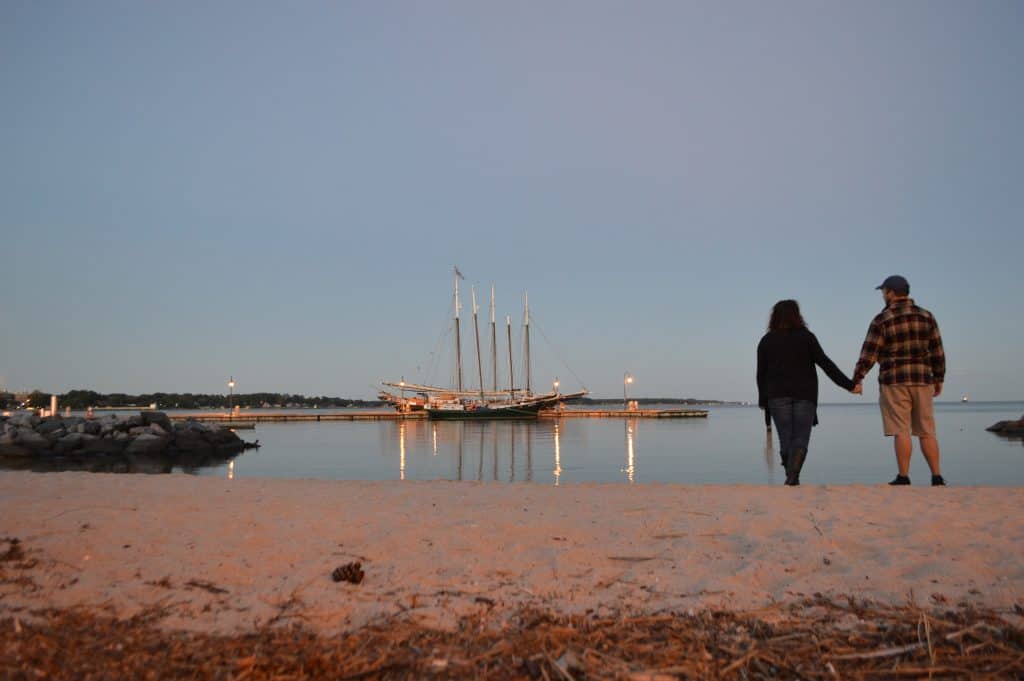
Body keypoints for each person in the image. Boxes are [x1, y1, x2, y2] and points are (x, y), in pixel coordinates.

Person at [852, 275, 946, 486]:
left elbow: (869, 353)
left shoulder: (882, 319)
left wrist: (857, 378)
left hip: (894, 380)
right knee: (927, 430)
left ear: (891, 293)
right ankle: (937, 476)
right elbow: (937, 351)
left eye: (884, 292)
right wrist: (938, 378)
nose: (883, 296)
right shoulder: (927, 316)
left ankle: (904, 476)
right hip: (923, 379)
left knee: (901, 430)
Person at [757, 300, 857, 485]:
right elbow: (826, 364)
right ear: (797, 315)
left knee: (785, 437)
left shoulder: (767, 340)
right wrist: (849, 385)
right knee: (801, 438)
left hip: (777, 396)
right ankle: (793, 477)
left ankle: (791, 477)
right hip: (805, 395)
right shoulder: (807, 337)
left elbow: (760, 375)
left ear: (774, 317)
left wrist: (763, 401)